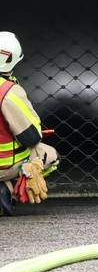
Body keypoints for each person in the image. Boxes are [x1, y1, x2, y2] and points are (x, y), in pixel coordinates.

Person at [0, 31, 58, 215]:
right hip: (3, 165)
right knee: (50, 155)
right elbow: (30, 137)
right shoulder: (8, 92)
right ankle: (7, 189)